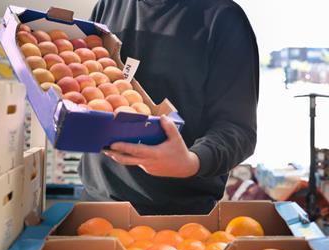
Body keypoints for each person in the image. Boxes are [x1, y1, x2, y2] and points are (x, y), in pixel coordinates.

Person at [78, 0, 259, 214]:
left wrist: (191, 162)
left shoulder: (223, 18)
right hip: (95, 204)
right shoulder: (109, 5)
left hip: (178, 221)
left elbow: (238, 128)